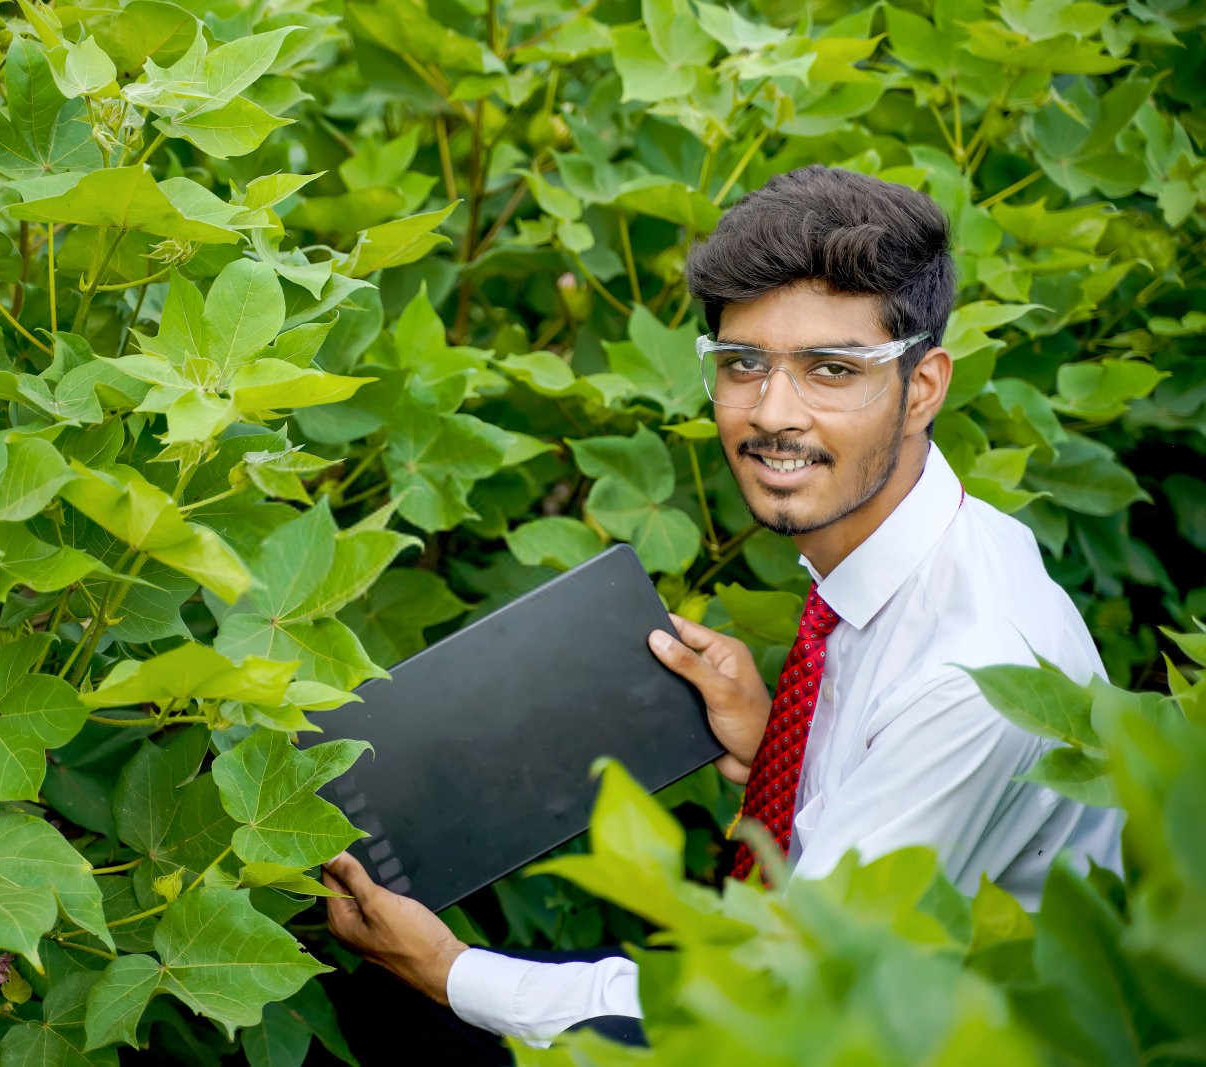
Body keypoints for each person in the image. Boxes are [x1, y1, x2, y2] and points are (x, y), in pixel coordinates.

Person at [318, 165, 1125, 1050]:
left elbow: (785, 999)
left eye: (830, 369)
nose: (774, 412)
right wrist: (784, 740)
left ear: (924, 386)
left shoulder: (975, 671)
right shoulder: (923, 548)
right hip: (836, 977)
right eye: (743, 364)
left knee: (418, 1017)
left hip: (887, 1032)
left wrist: (449, 969)